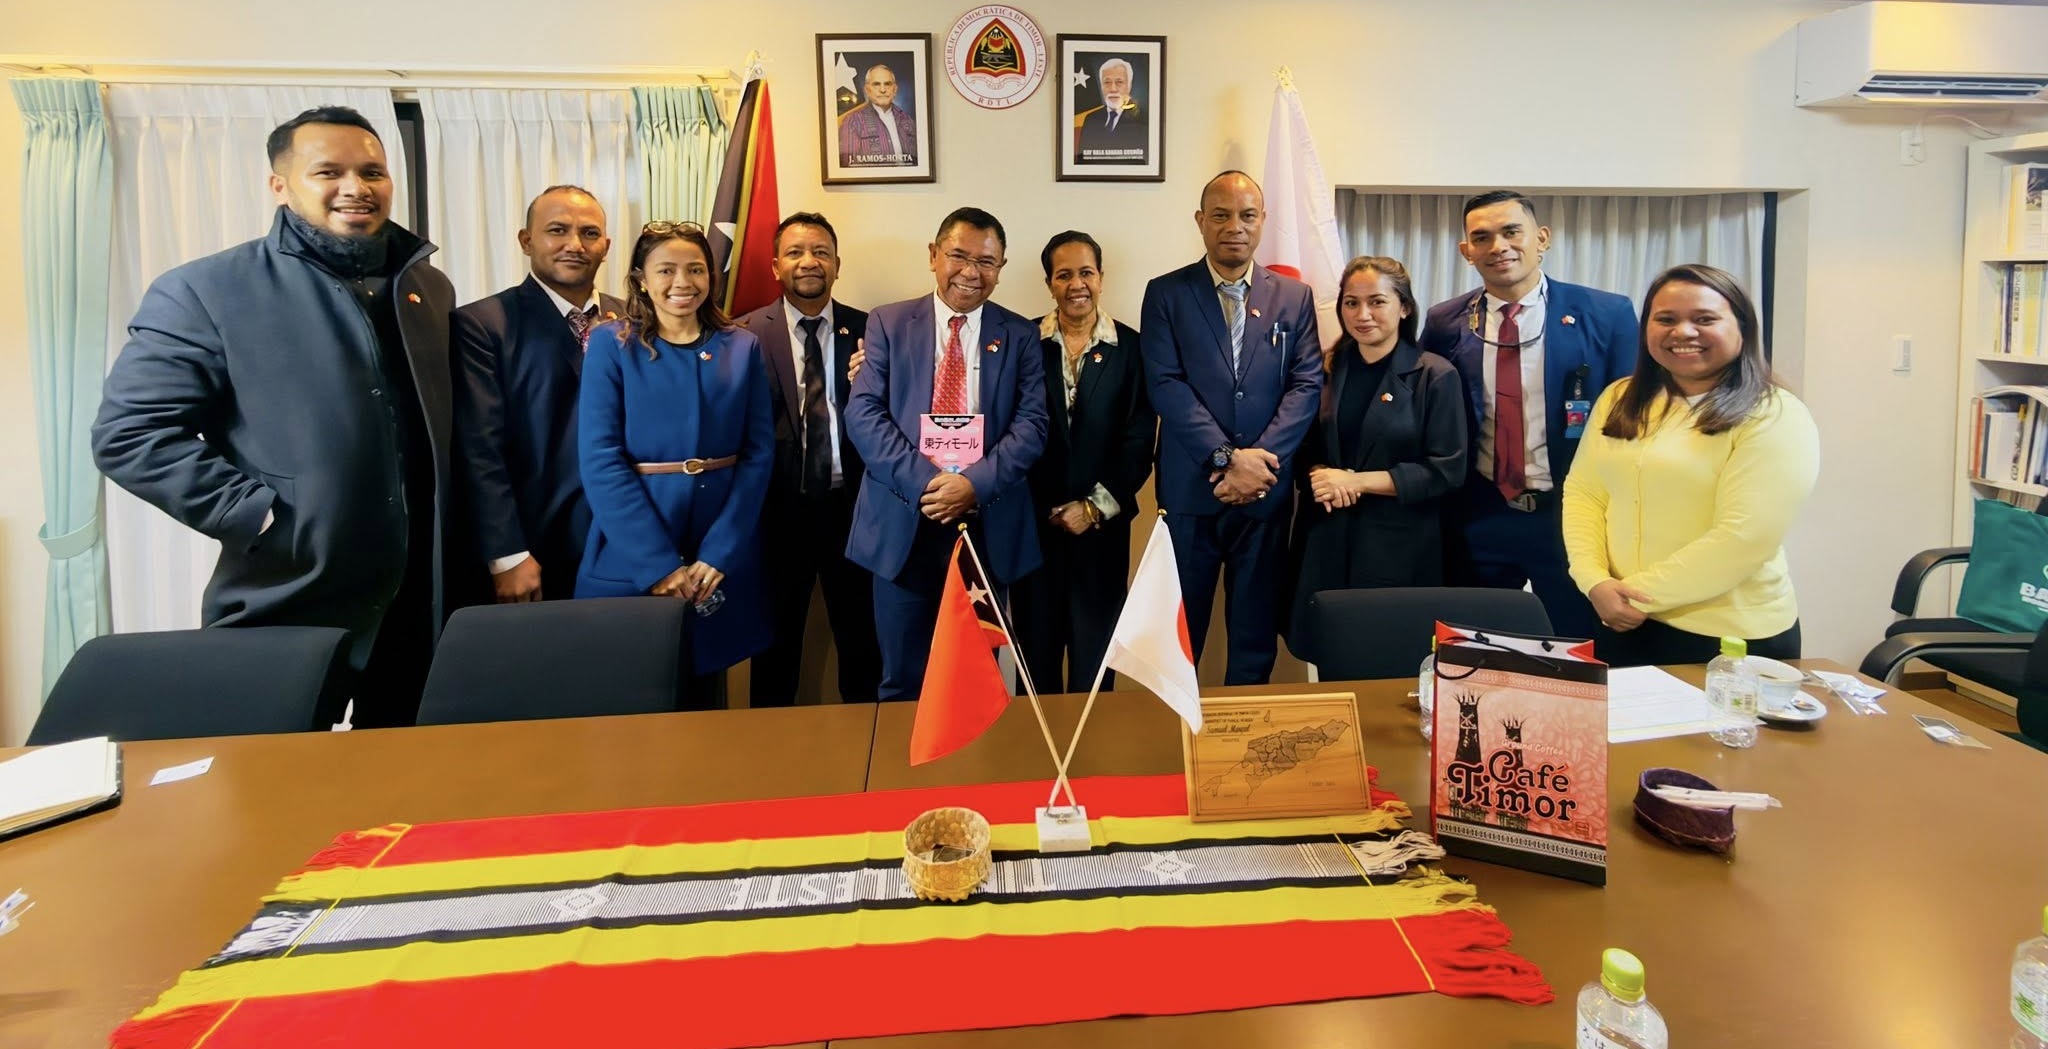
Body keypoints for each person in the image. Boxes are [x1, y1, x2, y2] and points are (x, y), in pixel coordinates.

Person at [93, 105, 454, 729]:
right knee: (266, 796)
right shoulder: (205, 290)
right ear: (280, 185)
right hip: (288, 590)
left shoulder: (429, 288)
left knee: (409, 795)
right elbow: (130, 433)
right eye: (329, 171)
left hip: (418, 600)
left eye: (373, 171)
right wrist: (256, 514)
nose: (356, 188)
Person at [1562, 264, 1819, 667]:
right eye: (1665, 319)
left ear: (1743, 328)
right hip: (1623, 621)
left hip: (1727, 636)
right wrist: (1594, 580)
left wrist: (1631, 594)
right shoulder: (1620, 398)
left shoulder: (1774, 413)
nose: (1682, 332)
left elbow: (1744, 537)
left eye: (1704, 319)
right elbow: (1584, 494)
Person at [844, 207, 1049, 700]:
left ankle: (975, 778)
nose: (970, 272)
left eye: (987, 261)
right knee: (902, 678)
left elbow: (1033, 426)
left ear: (1001, 268)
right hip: (904, 520)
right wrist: (927, 484)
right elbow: (864, 414)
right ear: (934, 255)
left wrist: (971, 485)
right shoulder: (888, 323)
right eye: (958, 255)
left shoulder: (1020, 335)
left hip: (985, 522)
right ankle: (905, 776)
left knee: (976, 677)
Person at [1419, 190, 1637, 640]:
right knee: (1474, 652)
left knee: (1577, 648)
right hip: (1480, 514)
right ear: (1467, 252)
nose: (1498, 246)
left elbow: (1632, 422)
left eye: (1511, 231)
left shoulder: (1607, 313)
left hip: (1569, 517)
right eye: (1482, 237)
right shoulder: (1445, 323)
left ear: (1542, 238)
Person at [576, 222, 774, 705]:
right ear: (642, 277)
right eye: (666, 270)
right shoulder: (611, 344)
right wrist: (659, 565)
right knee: (627, 698)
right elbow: (600, 459)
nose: (682, 282)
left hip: (717, 548)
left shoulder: (742, 345)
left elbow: (758, 453)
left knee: (708, 696)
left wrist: (721, 551)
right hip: (633, 544)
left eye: (695, 270)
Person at [1140, 171, 1322, 685]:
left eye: (1246, 215)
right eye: (1220, 215)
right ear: (1200, 222)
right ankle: (1178, 744)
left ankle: (1242, 747)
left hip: (1265, 493)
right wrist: (1226, 458)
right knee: (1181, 636)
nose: (1234, 227)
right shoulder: (1166, 294)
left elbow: (1305, 386)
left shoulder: (1294, 297)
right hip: (1192, 493)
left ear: (1262, 221)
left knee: (1252, 634)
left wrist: (1259, 462)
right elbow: (1166, 385)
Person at [1285, 257, 1466, 660]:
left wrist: (1356, 481)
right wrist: (1320, 475)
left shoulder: (1434, 375)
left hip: (1399, 548)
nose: (1362, 315)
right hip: (1328, 540)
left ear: (1404, 307)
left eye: (1377, 302)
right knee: (1326, 656)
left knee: (1387, 660)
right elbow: (1305, 449)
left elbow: (1446, 471)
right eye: (1351, 303)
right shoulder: (1325, 370)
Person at [736, 212, 883, 705]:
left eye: (820, 252)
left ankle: (870, 756)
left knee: (863, 644)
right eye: (796, 252)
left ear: (837, 265)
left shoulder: (872, 332)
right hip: (779, 512)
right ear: (775, 265)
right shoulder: (743, 334)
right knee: (775, 650)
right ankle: (770, 765)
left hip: (854, 510)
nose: (809, 262)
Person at [452, 185, 624, 607]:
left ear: (606, 245)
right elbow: (479, 448)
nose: (574, 245)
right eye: (557, 230)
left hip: (629, 542)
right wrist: (506, 554)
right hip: (536, 552)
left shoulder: (639, 318)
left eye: (588, 233)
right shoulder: (482, 325)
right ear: (526, 241)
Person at [1013, 231, 1156, 692]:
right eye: (1064, 274)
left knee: (1095, 666)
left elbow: (1138, 444)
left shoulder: (1132, 349)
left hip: (1101, 533)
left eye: (1086, 273)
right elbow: (1007, 432)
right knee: (1035, 662)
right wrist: (1044, 509)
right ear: (1049, 283)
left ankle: (1092, 761)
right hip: (1034, 530)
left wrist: (1091, 508)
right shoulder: (1022, 343)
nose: (1077, 284)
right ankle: (1037, 761)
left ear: (1101, 277)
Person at [837, 64, 918, 168]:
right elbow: (848, 167)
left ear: (895, 89)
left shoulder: (907, 120)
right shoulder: (853, 121)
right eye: (876, 84)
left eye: (887, 84)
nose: (883, 89)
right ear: (867, 90)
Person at [1074, 57, 1147, 163]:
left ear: (1129, 86)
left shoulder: (1143, 121)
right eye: (1107, 82)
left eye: (1119, 82)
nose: (1113, 89)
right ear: (1102, 86)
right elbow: (1082, 162)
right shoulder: (1091, 119)